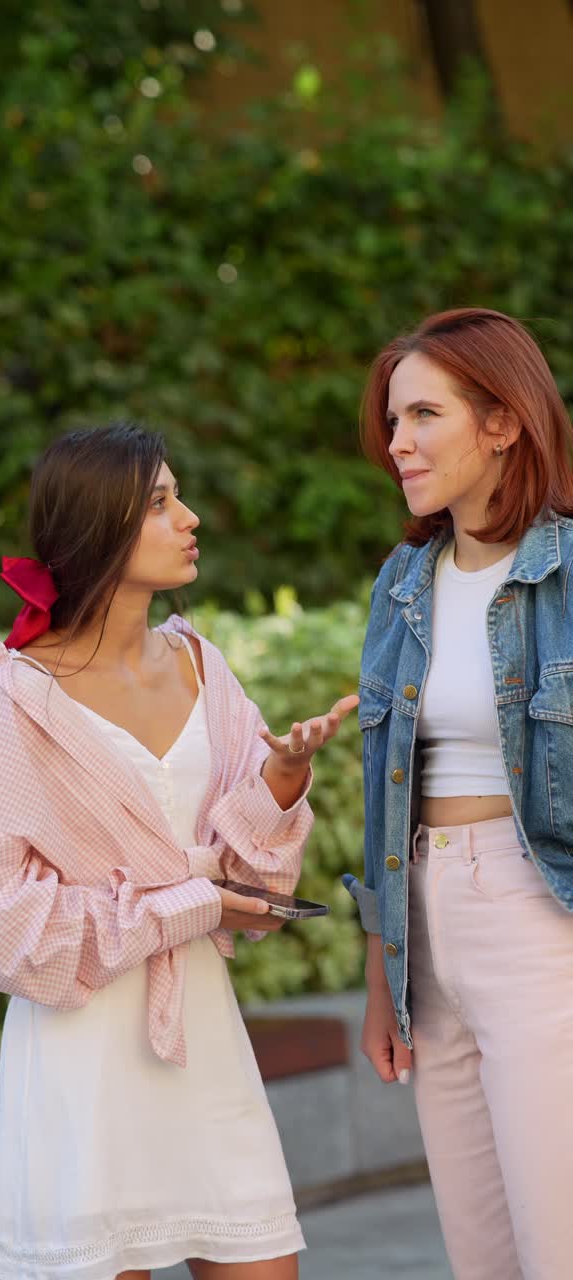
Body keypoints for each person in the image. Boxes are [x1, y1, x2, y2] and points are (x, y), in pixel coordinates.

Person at [0, 423, 358, 1280]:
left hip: (202, 1027)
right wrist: (182, 906)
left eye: (177, 495)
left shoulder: (200, 665)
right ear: (99, 526)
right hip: (83, 1054)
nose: (188, 518)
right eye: (160, 503)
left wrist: (281, 783)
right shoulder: (24, 702)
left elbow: (251, 881)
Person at [344, 307, 573, 1279]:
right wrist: (379, 972)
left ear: (502, 421)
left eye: (424, 414)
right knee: (481, 1256)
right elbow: (384, 787)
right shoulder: (402, 581)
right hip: (426, 936)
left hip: (541, 922)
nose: (397, 442)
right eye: (393, 421)